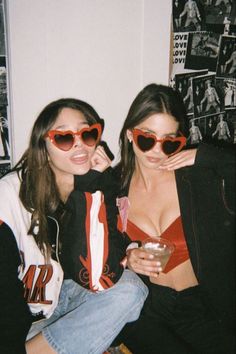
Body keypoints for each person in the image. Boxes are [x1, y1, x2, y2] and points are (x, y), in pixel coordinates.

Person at [0, 98, 148, 354]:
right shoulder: (9, 196)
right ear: (43, 145)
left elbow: (98, 276)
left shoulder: (100, 184)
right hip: (24, 320)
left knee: (132, 291)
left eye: (87, 133)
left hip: (65, 303)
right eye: (65, 138)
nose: (79, 144)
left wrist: (94, 189)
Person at [112, 84, 235, 353]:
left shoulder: (196, 178)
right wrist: (127, 258)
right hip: (147, 309)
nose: (157, 151)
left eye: (169, 141)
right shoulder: (113, 187)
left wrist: (206, 155)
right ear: (130, 135)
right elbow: (91, 253)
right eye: (147, 139)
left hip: (201, 305)